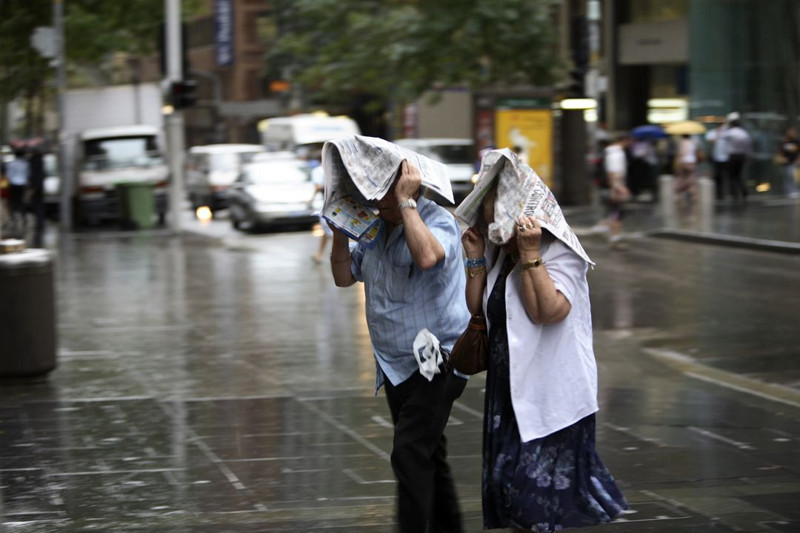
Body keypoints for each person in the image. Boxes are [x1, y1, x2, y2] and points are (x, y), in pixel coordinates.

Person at [458, 149, 628, 532]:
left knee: (535, 504)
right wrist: (475, 260)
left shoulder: (560, 252)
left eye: (497, 230)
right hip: (509, 392)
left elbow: (547, 312)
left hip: (552, 396)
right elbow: (478, 311)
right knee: (511, 496)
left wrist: (531, 254)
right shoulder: (501, 257)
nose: (495, 239)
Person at [329, 159, 470, 532]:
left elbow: (427, 257)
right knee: (428, 455)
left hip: (438, 361)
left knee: (409, 454)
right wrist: (340, 233)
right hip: (395, 364)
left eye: (385, 197)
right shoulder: (377, 228)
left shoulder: (436, 219)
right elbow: (344, 276)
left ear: (407, 189)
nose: (377, 205)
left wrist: (407, 205)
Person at [601, 134, 631, 249]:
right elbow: (613, 173)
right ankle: (615, 238)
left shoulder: (609, 152)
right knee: (616, 213)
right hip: (615, 188)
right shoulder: (616, 153)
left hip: (613, 187)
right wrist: (618, 188)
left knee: (614, 212)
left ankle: (608, 231)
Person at [721, 112, 751, 203]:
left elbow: (722, 136)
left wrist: (725, 125)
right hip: (742, 156)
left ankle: (734, 193)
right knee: (739, 175)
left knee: (732, 176)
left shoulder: (730, 132)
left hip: (733, 156)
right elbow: (748, 146)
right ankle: (743, 191)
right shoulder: (744, 133)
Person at [308, 152, 332, 263]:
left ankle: (347, 256)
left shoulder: (318, 170)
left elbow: (319, 186)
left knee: (330, 231)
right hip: (338, 202)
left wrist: (311, 198)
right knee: (326, 230)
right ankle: (319, 254)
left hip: (327, 204)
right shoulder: (334, 168)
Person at [5, 148, 30, 236]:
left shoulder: (11, 163)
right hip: (22, 185)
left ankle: (13, 219)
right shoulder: (26, 164)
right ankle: (23, 219)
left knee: (12, 203)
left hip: (13, 185)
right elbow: (28, 175)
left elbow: (8, 175)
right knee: (21, 203)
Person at [674, 134, 699, 216]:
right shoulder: (693, 142)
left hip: (684, 162)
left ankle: (678, 193)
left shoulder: (683, 142)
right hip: (692, 162)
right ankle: (692, 193)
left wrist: (679, 161)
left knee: (682, 178)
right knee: (691, 178)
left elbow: (682, 153)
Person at [705, 121, 729, 200]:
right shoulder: (713, 133)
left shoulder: (727, 134)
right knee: (716, 176)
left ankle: (723, 193)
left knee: (723, 176)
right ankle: (717, 193)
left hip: (725, 158)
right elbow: (710, 141)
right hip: (716, 158)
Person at [776, 126, 800, 198]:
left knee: (793, 177)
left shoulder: (797, 142)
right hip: (787, 163)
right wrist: (782, 158)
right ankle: (789, 191)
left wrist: (798, 159)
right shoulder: (785, 142)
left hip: (794, 163)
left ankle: (794, 190)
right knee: (787, 177)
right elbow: (780, 152)